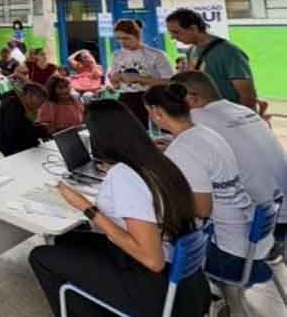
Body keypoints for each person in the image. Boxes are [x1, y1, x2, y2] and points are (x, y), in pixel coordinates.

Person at [29, 100, 210, 317]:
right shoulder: (158, 161)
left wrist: (87, 207)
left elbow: (153, 261)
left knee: (40, 257)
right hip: (186, 284)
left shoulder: (125, 176)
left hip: (154, 287)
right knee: (67, 240)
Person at [144, 84, 267, 314]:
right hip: (251, 240)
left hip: (230, 252)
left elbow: (202, 210)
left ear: (156, 112)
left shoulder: (183, 149)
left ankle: (196, 301)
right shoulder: (205, 133)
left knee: (154, 245)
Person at [172, 71, 287, 255]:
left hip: (257, 227)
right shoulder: (243, 110)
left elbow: (179, 155)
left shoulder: (197, 117)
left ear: (192, 99)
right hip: (275, 211)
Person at [166, 8, 256, 109]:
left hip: (229, 114)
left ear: (193, 28)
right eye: (171, 33)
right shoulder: (191, 51)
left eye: (176, 32)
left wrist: (241, 117)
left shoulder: (228, 52)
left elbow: (248, 96)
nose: (172, 37)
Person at [108, 19, 173, 126]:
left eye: (126, 38)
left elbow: (170, 81)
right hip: (126, 99)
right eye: (118, 39)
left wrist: (140, 79)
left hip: (152, 99)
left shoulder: (156, 55)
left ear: (138, 36)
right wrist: (114, 80)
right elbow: (115, 85)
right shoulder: (117, 55)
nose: (122, 42)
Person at [0, 82, 48, 157]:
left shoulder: (21, 103)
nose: (40, 106)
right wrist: (41, 130)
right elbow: (15, 133)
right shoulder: (12, 105)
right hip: (12, 148)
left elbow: (24, 125)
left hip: (21, 143)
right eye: (40, 102)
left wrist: (40, 128)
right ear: (29, 95)